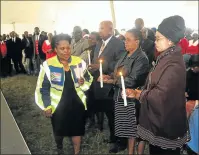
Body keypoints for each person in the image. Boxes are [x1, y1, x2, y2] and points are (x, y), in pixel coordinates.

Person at [126, 15, 190, 155]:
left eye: (158, 38)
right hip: (160, 119)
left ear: (170, 40)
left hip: (166, 123)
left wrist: (139, 94)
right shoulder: (166, 57)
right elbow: (154, 83)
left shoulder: (173, 63)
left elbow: (161, 95)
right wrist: (140, 91)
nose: (155, 42)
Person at [35, 34, 93, 154]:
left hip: (77, 103)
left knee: (77, 129)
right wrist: (46, 106)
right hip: (58, 105)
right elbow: (43, 88)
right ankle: (59, 147)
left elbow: (88, 78)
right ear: (55, 49)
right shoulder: (48, 65)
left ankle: (76, 152)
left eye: (68, 47)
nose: (66, 51)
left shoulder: (79, 62)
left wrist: (83, 82)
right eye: (62, 48)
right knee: (59, 131)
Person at [101, 28, 149, 154]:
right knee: (126, 129)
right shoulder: (125, 54)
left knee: (133, 129)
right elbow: (118, 72)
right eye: (125, 39)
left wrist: (113, 81)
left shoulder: (141, 58)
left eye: (128, 40)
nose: (125, 42)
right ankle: (129, 150)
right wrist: (110, 76)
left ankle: (133, 152)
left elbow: (132, 81)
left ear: (137, 41)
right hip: (120, 96)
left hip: (132, 98)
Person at [88, 21, 125, 153]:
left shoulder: (118, 44)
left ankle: (120, 142)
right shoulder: (99, 44)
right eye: (99, 28)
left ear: (110, 30)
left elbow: (120, 64)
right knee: (108, 113)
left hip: (111, 85)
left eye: (101, 28)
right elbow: (96, 61)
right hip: (99, 84)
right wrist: (91, 67)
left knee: (114, 114)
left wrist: (102, 67)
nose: (99, 31)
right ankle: (112, 137)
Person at [185, 54, 199, 155]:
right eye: (194, 66)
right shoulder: (187, 74)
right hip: (188, 102)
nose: (195, 68)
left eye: (197, 66)